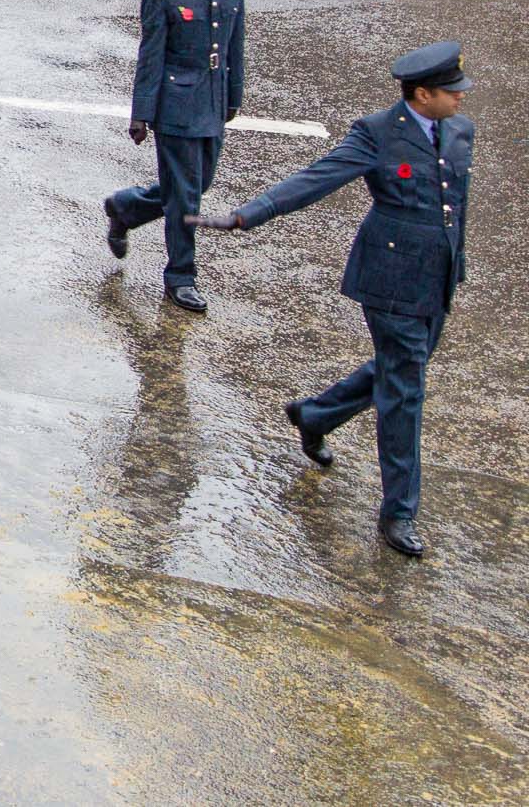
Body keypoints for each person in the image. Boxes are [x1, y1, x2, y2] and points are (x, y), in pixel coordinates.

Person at [188, 43, 473, 560]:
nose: (460, 98)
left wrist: (457, 266)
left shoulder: (459, 130)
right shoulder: (378, 132)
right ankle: (400, 512)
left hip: (437, 279)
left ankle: (317, 414)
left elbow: (457, 208)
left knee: (401, 367)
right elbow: (318, 179)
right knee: (405, 391)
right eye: (451, 92)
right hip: (389, 281)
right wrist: (248, 214)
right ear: (422, 94)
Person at [102, 0, 245, 314]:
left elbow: (236, 42)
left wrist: (234, 96)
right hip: (176, 106)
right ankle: (180, 276)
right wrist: (141, 113)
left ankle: (126, 207)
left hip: (213, 101)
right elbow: (151, 54)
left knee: (197, 185)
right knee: (186, 200)